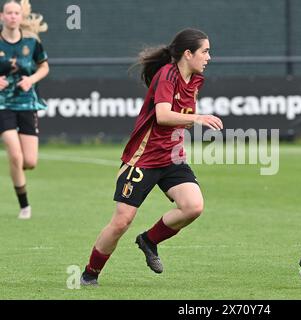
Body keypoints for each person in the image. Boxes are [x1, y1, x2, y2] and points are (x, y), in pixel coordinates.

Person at [81, 28, 223, 286]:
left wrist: (189, 123)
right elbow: (163, 115)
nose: (209, 57)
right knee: (121, 221)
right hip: (142, 159)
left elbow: (183, 118)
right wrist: (197, 118)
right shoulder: (167, 75)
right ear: (188, 53)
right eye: (205, 51)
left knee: (193, 206)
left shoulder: (195, 80)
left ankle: (148, 240)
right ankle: (90, 273)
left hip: (171, 158)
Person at [0, 0, 49, 219]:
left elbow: (44, 66)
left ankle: (19, 173)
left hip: (27, 104)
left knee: (29, 161)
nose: (12, 16)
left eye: (16, 13)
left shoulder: (32, 41)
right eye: (8, 13)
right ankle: (24, 206)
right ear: (2, 16)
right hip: (3, 105)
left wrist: (31, 80)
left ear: (21, 17)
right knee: (15, 155)